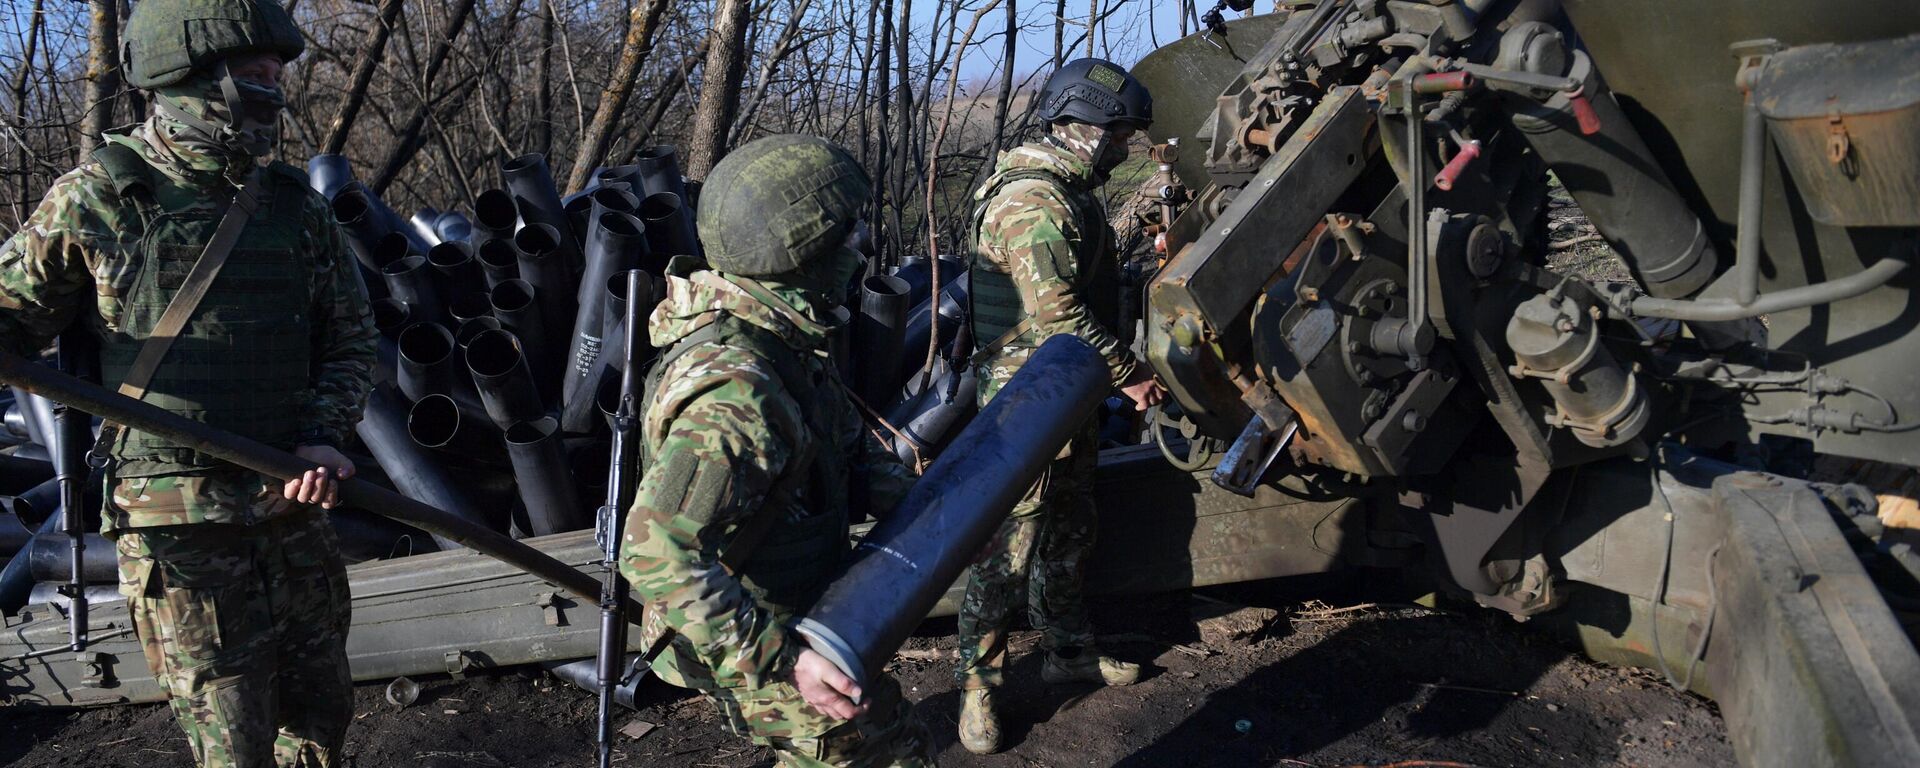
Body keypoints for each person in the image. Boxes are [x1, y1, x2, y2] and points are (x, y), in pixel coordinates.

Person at [0, 0, 377, 764]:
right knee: (232, 742)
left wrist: (323, 434)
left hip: (292, 508)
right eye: (254, 77)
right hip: (180, 533)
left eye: (276, 76)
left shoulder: (292, 209)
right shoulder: (99, 198)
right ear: (188, 81)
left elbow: (350, 337)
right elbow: (9, 321)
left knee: (321, 725)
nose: (272, 93)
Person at [619, 134, 934, 767]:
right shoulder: (738, 389)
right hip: (758, 634)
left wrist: (939, 520)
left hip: (800, 611)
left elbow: (845, 447)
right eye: (844, 236)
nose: (859, 247)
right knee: (889, 750)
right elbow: (655, 553)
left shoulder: (777, 332)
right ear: (803, 254)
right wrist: (787, 663)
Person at [952, 57, 1169, 755]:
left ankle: (1067, 649)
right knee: (1006, 546)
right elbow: (1058, 316)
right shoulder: (1034, 201)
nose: (1124, 147)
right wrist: (1129, 372)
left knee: (1071, 525)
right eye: (1119, 134)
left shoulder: (1071, 189)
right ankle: (978, 686)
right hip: (1026, 402)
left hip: (1065, 391)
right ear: (1084, 126)